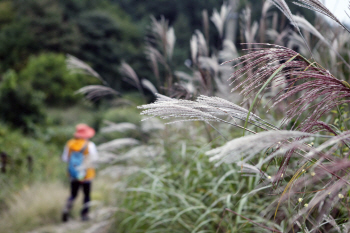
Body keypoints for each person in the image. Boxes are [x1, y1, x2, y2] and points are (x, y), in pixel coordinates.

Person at [61, 123, 99, 222]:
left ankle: (67, 208)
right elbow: (95, 159)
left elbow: (65, 159)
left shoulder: (70, 143)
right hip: (87, 174)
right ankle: (84, 215)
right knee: (86, 195)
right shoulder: (90, 145)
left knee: (73, 194)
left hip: (73, 174)